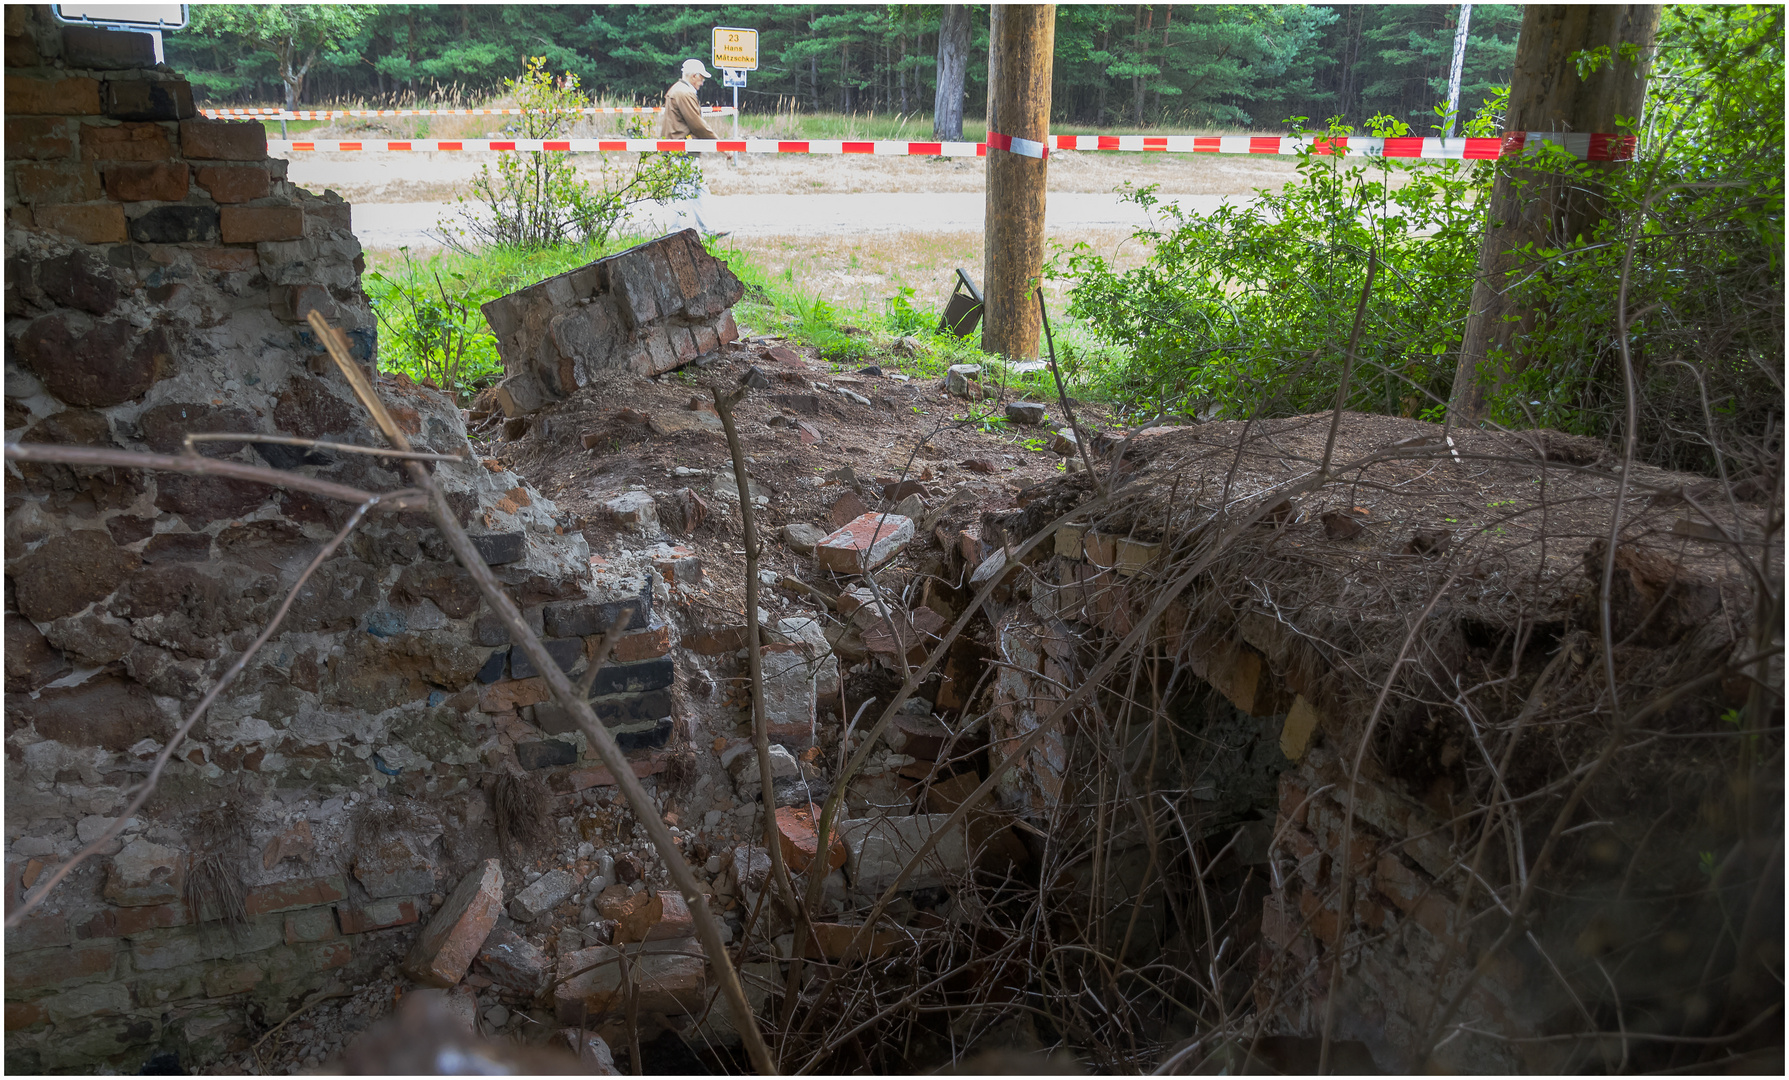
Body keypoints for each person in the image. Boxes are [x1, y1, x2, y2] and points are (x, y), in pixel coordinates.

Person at [659, 59, 726, 237]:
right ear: (694, 75)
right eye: (702, 78)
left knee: (698, 189)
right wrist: (720, 145)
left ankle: (711, 229)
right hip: (683, 151)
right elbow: (697, 125)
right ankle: (674, 234)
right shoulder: (684, 93)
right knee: (683, 192)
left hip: (680, 149)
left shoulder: (677, 90)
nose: (702, 82)